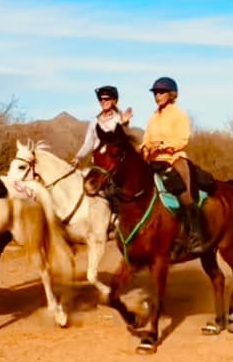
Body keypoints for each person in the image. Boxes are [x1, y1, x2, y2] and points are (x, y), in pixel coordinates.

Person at [140, 76, 204, 255]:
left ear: (171, 94)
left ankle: (195, 235)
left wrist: (163, 144)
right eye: (155, 93)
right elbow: (146, 138)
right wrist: (144, 148)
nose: (157, 96)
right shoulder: (153, 117)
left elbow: (182, 138)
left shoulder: (178, 114)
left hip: (174, 159)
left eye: (161, 92)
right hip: (153, 161)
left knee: (184, 195)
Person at [73, 85, 133, 165]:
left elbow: (124, 141)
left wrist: (124, 124)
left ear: (114, 101)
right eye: (101, 99)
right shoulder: (94, 122)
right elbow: (89, 143)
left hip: (113, 164)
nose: (103, 101)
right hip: (97, 162)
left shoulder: (119, 119)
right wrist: (78, 158)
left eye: (106, 99)